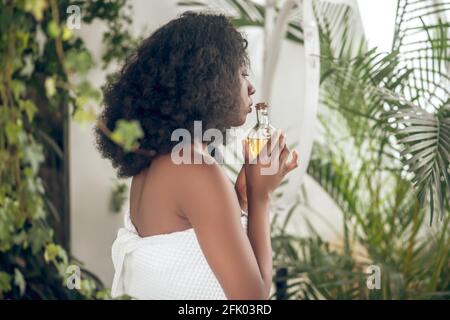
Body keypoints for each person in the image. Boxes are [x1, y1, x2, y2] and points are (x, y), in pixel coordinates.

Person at [95, 11, 298, 300]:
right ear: (208, 82)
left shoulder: (156, 162)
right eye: (241, 75)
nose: (251, 87)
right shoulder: (196, 170)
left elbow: (185, 258)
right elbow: (252, 299)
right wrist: (259, 196)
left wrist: (239, 199)